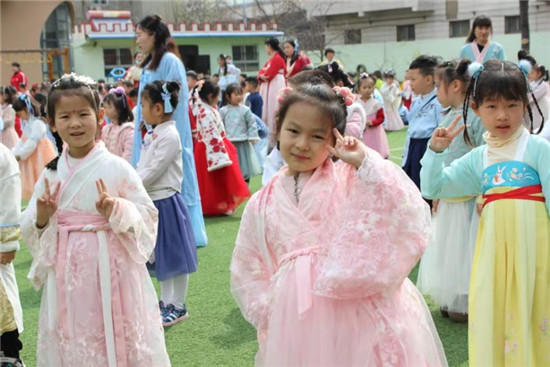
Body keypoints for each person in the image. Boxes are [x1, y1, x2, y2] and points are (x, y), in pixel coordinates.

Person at [231, 83, 447, 366]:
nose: (302, 144)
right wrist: (268, 307)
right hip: (295, 317)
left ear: (334, 139)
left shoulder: (349, 178)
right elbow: (247, 262)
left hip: (358, 309)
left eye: (317, 136)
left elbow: (403, 207)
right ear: (278, 128)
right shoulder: (261, 201)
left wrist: (365, 162)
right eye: (293, 131)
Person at [20, 73, 170, 366]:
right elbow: (31, 227)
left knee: (114, 333)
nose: (75, 123)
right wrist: (41, 217)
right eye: (64, 116)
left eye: (83, 114)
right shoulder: (51, 174)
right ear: (51, 122)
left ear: (100, 116)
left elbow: (148, 216)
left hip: (113, 271)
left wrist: (116, 209)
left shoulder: (117, 167)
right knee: (72, 335)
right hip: (67, 276)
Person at [420, 60, 549, 366]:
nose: (503, 115)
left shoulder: (538, 149)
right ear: (476, 108)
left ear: (525, 105)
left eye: (512, 105)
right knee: (495, 317)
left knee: (534, 315)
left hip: (535, 256)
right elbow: (435, 187)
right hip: (492, 259)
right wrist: (435, 152)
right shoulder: (481, 157)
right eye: (492, 106)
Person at [416, 59, 485, 322]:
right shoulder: (449, 116)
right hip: (450, 200)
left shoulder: (476, 117)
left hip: (470, 202)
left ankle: (468, 298)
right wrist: (438, 194)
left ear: (456, 85)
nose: (435, 91)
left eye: (438, 85)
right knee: (450, 252)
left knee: (468, 252)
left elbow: (483, 156)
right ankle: (452, 296)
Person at [133, 15, 207, 247]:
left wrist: (159, 127)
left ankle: (186, 233)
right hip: (148, 130)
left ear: (153, 35)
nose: (137, 40)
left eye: (139, 35)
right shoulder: (150, 63)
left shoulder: (169, 61)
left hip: (165, 132)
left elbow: (175, 101)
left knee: (172, 181)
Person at [136, 80, 198, 326]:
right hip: (153, 202)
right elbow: (144, 166)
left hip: (167, 203)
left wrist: (130, 183)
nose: (141, 109)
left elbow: (153, 170)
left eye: (144, 105)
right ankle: (166, 301)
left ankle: (179, 305)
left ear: (158, 108)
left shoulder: (169, 136)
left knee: (175, 257)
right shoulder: (153, 133)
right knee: (160, 256)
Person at [191, 79, 250, 215]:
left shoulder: (207, 109)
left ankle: (223, 204)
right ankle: (219, 205)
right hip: (211, 148)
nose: (218, 99)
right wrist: (219, 154)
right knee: (215, 179)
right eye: (217, 96)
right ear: (210, 96)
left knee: (218, 179)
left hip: (214, 146)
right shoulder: (205, 112)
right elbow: (211, 135)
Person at [402, 55, 443, 196]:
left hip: (426, 147)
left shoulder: (439, 102)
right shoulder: (416, 102)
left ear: (428, 79)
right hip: (413, 148)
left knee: (425, 191)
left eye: (413, 79)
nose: (410, 83)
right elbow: (410, 131)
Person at [0, 144, 24, 367]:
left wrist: (8, 241)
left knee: (3, 302)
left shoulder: (2, 155)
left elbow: (9, 198)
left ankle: (9, 353)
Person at [11, 94, 57, 200]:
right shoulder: (28, 125)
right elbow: (21, 142)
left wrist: (20, 155)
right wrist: (13, 153)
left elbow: (31, 144)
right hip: (30, 158)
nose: (19, 116)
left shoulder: (38, 124)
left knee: (40, 179)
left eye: (20, 113)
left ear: (26, 109)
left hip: (38, 158)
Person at [220, 83, 261, 182]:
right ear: (228, 96)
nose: (239, 97)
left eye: (240, 94)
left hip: (243, 142)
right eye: (236, 94)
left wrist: (252, 136)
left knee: (244, 165)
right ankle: (233, 185)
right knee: (232, 164)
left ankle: (246, 184)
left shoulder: (245, 110)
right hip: (229, 142)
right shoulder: (223, 111)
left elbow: (251, 123)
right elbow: (220, 125)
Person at [355, 73, 390, 158]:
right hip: (362, 131)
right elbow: (354, 117)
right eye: (364, 87)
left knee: (376, 149)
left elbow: (381, 117)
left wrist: (373, 122)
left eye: (369, 87)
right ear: (359, 90)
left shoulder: (376, 103)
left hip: (374, 132)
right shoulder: (356, 104)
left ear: (373, 89)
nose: (367, 90)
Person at [258, 38, 286, 133]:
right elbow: (262, 71)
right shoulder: (272, 59)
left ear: (269, 46)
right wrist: (261, 75)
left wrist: (261, 76)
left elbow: (268, 74)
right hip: (271, 84)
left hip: (275, 84)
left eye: (266, 46)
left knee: (273, 106)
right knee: (269, 106)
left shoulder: (277, 58)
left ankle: (273, 131)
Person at [518, 50, 549, 132]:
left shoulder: (543, 85)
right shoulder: (531, 84)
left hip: (540, 114)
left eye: (532, 73)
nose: (529, 75)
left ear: (539, 74)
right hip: (530, 115)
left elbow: (530, 99)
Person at [101, 87, 134, 162]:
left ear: (119, 108)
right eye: (105, 107)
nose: (106, 111)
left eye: (109, 107)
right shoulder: (106, 128)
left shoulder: (129, 131)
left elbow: (128, 156)